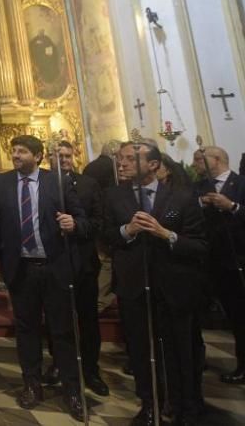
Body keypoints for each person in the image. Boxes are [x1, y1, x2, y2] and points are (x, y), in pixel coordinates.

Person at [104, 142, 207, 425]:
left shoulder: (182, 197)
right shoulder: (114, 196)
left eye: (129, 159)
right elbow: (105, 237)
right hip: (134, 286)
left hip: (174, 287)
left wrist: (166, 234)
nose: (121, 164)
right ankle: (150, 403)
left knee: (181, 349)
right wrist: (127, 230)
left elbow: (200, 245)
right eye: (119, 159)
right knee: (140, 349)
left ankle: (187, 404)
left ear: (152, 165)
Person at [0, 135, 87, 419]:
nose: (15, 155)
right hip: (22, 268)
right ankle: (31, 384)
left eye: (22, 151)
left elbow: (83, 219)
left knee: (63, 331)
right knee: (26, 330)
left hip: (54, 265)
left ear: (38, 156)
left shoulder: (58, 181)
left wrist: (74, 223)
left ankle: (71, 390)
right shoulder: (1, 183)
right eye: (13, 150)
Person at [45, 140, 109, 397]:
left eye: (67, 155)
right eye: (58, 156)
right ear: (49, 158)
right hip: (52, 262)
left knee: (87, 318)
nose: (63, 160)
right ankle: (59, 363)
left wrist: (77, 226)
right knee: (56, 319)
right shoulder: (41, 183)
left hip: (82, 261)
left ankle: (91, 369)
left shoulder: (88, 184)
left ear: (74, 157)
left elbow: (98, 221)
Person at [193, 145, 245, 384]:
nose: (195, 164)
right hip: (209, 261)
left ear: (216, 159)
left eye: (199, 159)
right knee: (214, 313)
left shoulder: (241, 183)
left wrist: (232, 207)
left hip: (237, 258)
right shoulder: (199, 188)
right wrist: (200, 204)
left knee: (240, 315)